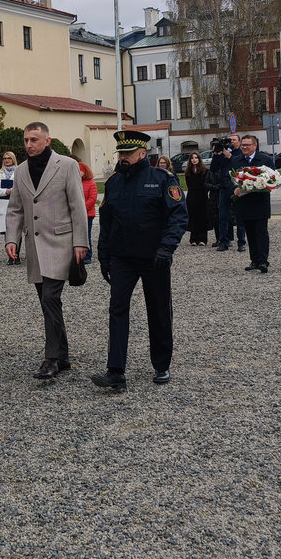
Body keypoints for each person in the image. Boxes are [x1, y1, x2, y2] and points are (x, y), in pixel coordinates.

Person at [92, 130, 188, 391]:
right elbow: (107, 223)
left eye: (128, 153)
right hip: (122, 258)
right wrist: (104, 256)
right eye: (120, 153)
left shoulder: (161, 179)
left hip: (153, 257)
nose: (123, 157)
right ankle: (115, 371)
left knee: (157, 310)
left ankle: (161, 364)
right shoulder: (113, 183)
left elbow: (178, 216)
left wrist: (166, 249)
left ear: (142, 154)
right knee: (117, 310)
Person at [5, 122, 88, 380]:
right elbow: (16, 208)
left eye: (34, 139)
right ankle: (62, 356)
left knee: (50, 298)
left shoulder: (66, 165)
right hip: (34, 247)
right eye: (26, 140)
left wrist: (81, 242)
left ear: (47, 141)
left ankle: (51, 358)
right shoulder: (20, 171)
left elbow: (77, 206)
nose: (29, 144)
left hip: (62, 243)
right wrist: (12, 238)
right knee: (47, 301)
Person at [232, 134, 274, 273]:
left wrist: (261, 184)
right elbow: (230, 177)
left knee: (261, 232)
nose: (244, 147)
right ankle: (254, 260)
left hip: (260, 202)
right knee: (249, 232)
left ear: (254, 146)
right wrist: (235, 189)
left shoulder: (264, 160)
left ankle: (263, 261)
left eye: (247, 145)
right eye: (243, 145)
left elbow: (273, 178)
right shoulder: (236, 160)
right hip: (245, 202)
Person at [0, 151, 19, 265]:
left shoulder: (19, 172)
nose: (6, 160)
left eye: (9, 158)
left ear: (13, 159)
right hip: (4, 205)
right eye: (4, 158)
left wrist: (14, 192)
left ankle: (17, 255)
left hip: (16, 204)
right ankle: (10, 255)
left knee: (16, 231)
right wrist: (6, 191)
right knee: (6, 232)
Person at [184, 152, 210, 245]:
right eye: (192, 158)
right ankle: (193, 238)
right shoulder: (188, 172)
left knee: (202, 216)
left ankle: (203, 238)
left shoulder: (204, 171)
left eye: (196, 158)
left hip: (202, 196)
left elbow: (206, 184)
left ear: (199, 159)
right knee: (193, 216)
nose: (194, 159)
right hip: (192, 195)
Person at [78, 162, 98, 263]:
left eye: (79, 170)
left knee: (86, 235)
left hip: (87, 214)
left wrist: (81, 208)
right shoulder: (75, 182)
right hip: (77, 213)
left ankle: (88, 256)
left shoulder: (91, 183)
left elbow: (92, 199)